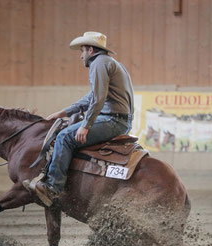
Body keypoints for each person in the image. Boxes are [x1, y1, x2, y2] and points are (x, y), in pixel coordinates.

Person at [27, 31, 134, 207]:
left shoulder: (98, 64)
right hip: (119, 119)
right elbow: (92, 96)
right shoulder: (110, 63)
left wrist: (86, 125)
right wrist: (65, 112)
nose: (80, 56)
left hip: (112, 120)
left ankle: (53, 187)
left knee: (64, 137)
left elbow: (98, 99)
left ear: (91, 50)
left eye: (82, 51)